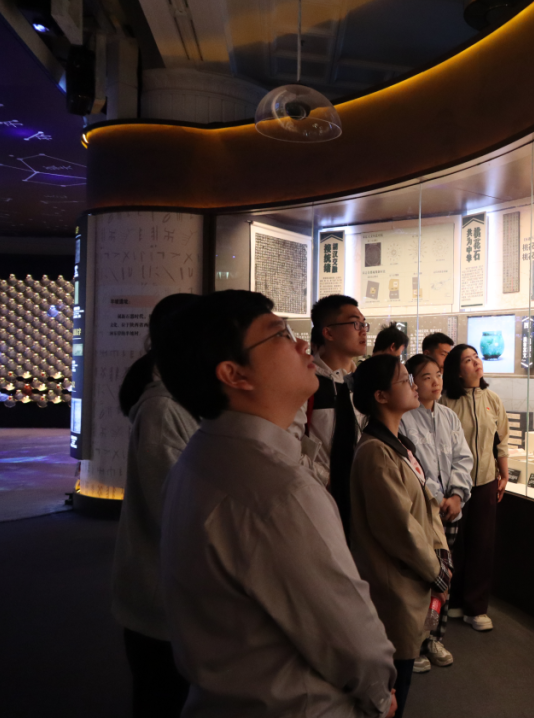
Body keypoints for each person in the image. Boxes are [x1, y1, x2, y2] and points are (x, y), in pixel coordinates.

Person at [156, 290, 398, 718]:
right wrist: (382, 694)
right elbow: (351, 637)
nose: (302, 344)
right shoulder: (279, 491)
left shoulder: (201, 456)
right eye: (281, 335)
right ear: (235, 374)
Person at [111, 292, 200, 718]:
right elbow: (176, 510)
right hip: (160, 602)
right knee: (162, 699)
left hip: (169, 597)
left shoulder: (179, 401)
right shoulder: (164, 409)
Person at [349, 354, 451, 718]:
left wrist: (441, 554)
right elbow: (399, 529)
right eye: (406, 379)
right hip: (396, 584)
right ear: (380, 396)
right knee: (394, 687)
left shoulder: (398, 442)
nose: (414, 385)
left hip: (414, 577)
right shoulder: (375, 453)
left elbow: (426, 506)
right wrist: (436, 571)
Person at [400, 353, 473, 672]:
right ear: (412, 382)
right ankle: (413, 642)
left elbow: (463, 459)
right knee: (419, 576)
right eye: (426, 376)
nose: (435, 382)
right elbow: (410, 464)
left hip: (450, 512)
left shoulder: (449, 417)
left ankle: (434, 637)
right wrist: (436, 497)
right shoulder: (404, 418)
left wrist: (456, 495)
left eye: (439, 375)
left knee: (443, 577)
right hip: (422, 512)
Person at [439, 345, 509, 632]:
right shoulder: (446, 402)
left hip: (485, 482)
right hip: (455, 486)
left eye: (476, 357)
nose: (476, 363)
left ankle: (476, 607)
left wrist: (503, 473)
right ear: (457, 371)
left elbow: (501, 440)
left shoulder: (492, 399)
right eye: (468, 360)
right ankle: (453, 600)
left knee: (482, 544)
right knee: (454, 544)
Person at [307, 294, 369, 535]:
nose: (363, 330)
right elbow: (291, 444)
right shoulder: (306, 381)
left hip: (364, 497)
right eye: (355, 323)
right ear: (328, 332)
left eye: (364, 323)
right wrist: (329, 479)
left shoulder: (364, 382)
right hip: (321, 498)